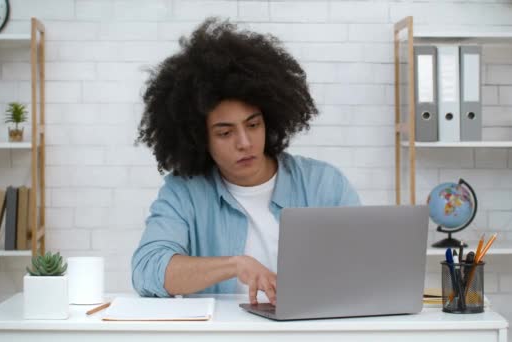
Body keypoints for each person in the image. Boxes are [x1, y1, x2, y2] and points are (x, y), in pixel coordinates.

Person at [131, 17, 361, 306]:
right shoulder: (185, 193)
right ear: (199, 139)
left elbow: (365, 265)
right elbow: (147, 270)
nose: (244, 142)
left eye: (253, 125)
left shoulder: (323, 184)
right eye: (225, 132)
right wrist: (235, 265)